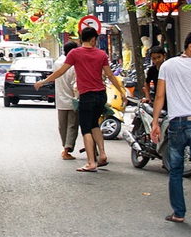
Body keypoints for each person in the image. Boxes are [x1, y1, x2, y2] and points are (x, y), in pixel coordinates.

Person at [35, 27, 127, 172]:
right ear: (92, 39)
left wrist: (43, 82)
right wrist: (122, 91)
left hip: (86, 95)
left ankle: (91, 162)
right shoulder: (101, 54)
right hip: (101, 94)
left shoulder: (75, 53)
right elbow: (110, 75)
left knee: (86, 129)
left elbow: (60, 71)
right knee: (94, 124)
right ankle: (102, 154)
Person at [150, 30, 191, 232]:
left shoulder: (167, 66)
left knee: (175, 170)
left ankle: (178, 213)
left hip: (176, 124)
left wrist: (155, 123)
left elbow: (159, 97)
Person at [53, 41, 79, 160]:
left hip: (60, 98)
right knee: (72, 125)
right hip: (72, 99)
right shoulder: (73, 65)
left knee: (62, 125)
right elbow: (75, 84)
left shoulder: (57, 62)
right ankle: (67, 149)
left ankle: (65, 147)